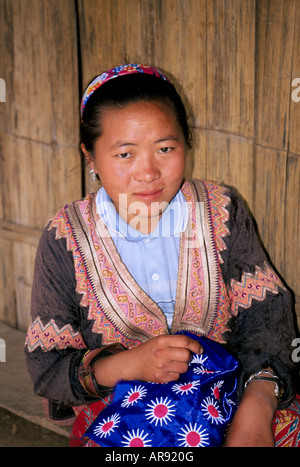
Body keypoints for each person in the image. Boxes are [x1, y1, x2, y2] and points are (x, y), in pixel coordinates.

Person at [25, 64, 300, 447]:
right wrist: (129, 364)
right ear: (90, 156)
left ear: (186, 141)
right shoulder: (66, 237)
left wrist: (257, 405)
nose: (148, 172)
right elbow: (46, 366)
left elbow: (268, 318)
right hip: (124, 415)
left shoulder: (221, 211)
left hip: (231, 394)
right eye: (125, 154)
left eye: (165, 149)